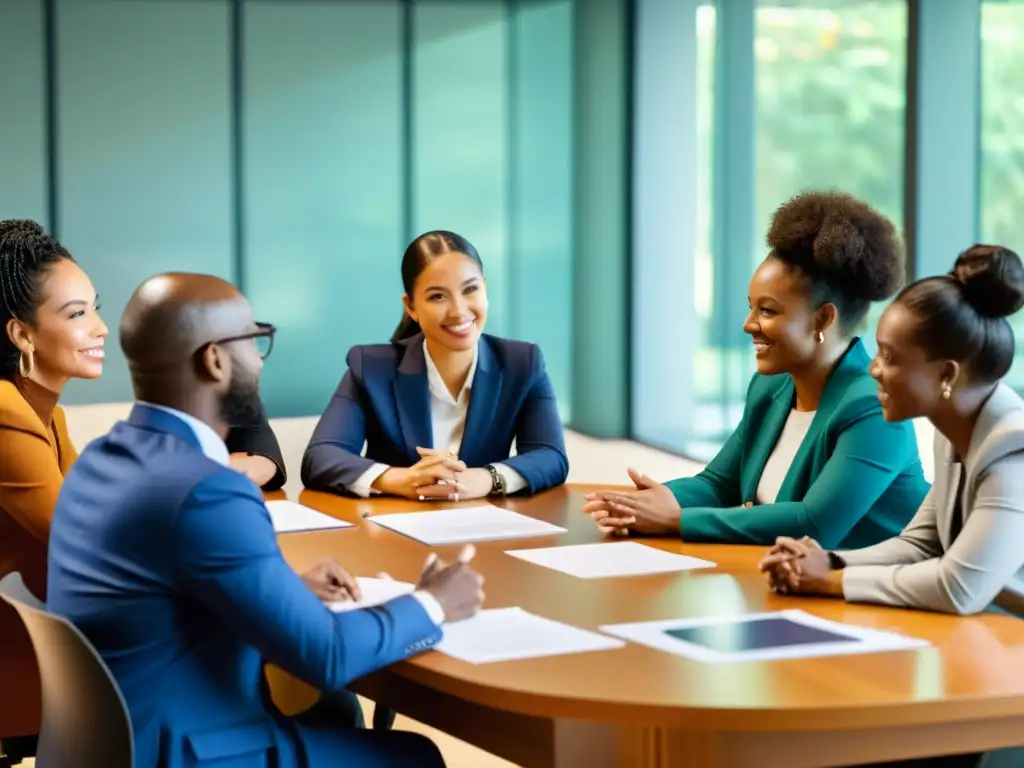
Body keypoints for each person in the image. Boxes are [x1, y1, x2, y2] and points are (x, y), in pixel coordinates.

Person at [46, 272, 484, 767]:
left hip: (110, 748)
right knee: (413, 756)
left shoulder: (100, 461)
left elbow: (163, 590)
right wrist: (434, 603)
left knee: (335, 720)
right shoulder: (209, 489)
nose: (258, 359)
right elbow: (327, 656)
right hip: (190, 753)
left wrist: (283, 588)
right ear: (214, 360)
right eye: (254, 341)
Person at [759, 245, 1024, 767]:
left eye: (891, 357)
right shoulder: (955, 431)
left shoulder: (1011, 449)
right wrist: (825, 560)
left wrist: (829, 582)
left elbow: (959, 585)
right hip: (985, 646)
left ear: (947, 374)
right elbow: (919, 543)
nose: (874, 370)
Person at [585, 191, 929, 548]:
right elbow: (720, 484)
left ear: (823, 318)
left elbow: (816, 524)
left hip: (874, 595)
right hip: (787, 582)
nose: (748, 325)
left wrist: (677, 520)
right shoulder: (772, 387)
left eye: (767, 311)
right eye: (752, 307)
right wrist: (645, 505)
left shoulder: (875, 406)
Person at [302, 230, 568, 502]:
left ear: (484, 288)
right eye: (438, 297)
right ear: (411, 307)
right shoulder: (370, 368)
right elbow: (321, 457)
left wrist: (487, 478)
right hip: (392, 532)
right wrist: (399, 478)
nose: (459, 311)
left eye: (470, 289)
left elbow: (550, 456)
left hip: (484, 531)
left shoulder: (523, 363)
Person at [0, 219, 107, 753]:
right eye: (77, 314)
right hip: (21, 655)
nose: (101, 329)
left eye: (95, 308)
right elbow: (88, 533)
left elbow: (97, 496)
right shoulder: (5, 413)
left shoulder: (42, 409)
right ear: (21, 334)